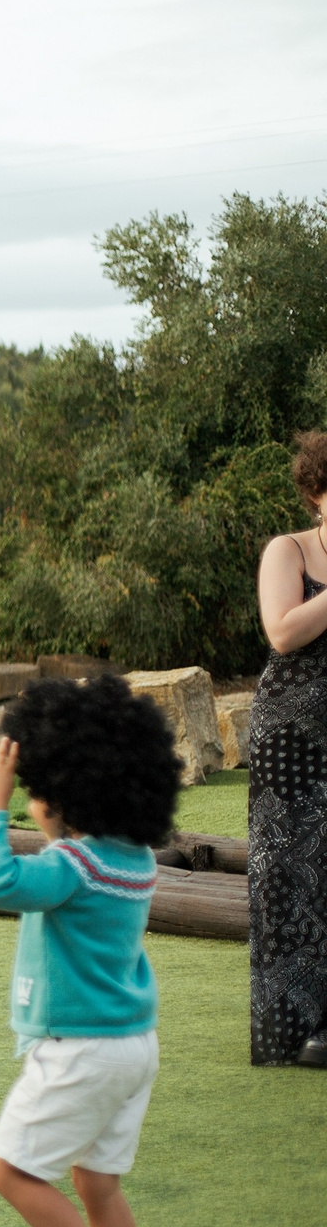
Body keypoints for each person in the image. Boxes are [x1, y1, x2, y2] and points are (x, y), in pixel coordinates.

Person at [0, 676, 176, 1227]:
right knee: (98, 1183)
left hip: (81, 1049)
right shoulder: (135, 860)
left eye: (32, 791)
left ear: (65, 791)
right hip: (132, 1047)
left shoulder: (73, 864)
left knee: (10, 1168)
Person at [247, 430, 327, 1069]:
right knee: (287, 875)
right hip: (291, 741)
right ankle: (289, 1029)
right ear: (316, 492)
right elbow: (282, 632)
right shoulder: (290, 550)